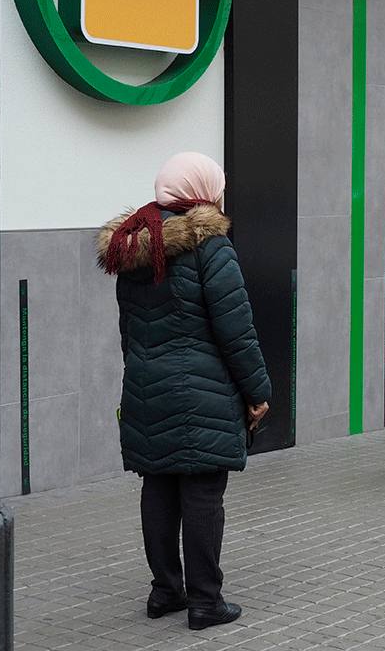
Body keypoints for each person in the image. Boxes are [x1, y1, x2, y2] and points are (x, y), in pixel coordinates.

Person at [97, 152, 271, 630]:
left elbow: (128, 330)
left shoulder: (133, 246)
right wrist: (256, 391)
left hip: (147, 386)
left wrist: (144, 374)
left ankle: (165, 592)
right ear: (202, 188)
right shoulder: (209, 247)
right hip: (202, 391)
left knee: (158, 488)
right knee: (201, 494)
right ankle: (206, 603)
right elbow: (236, 330)